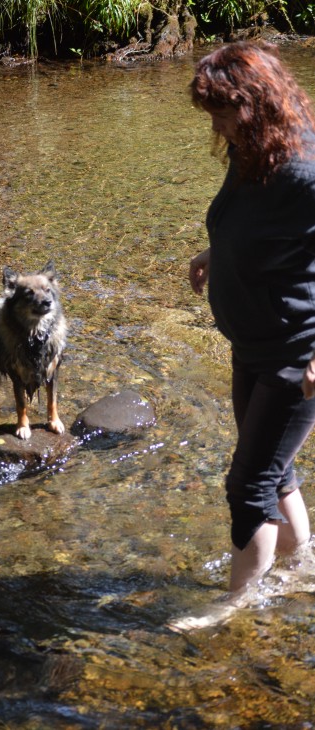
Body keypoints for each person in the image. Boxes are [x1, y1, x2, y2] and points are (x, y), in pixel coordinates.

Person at [186, 41, 315, 606]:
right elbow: (244, 214)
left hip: (294, 352)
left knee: (248, 484)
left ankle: (233, 606)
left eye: (220, 111)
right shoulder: (253, 148)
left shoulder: (306, 172)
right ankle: (302, 564)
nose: (215, 123)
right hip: (253, 340)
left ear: (254, 102)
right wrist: (217, 250)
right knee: (272, 467)